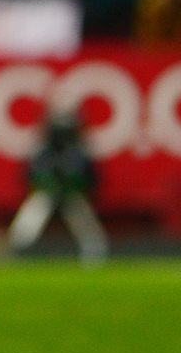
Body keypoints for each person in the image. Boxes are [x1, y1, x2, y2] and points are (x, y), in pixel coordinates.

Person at [7, 108, 109, 264]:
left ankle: (94, 253)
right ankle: (16, 248)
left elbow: (92, 179)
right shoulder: (42, 149)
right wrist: (50, 184)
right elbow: (29, 176)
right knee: (36, 207)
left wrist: (72, 185)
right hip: (48, 193)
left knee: (81, 213)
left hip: (71, 194)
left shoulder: (80, 149)